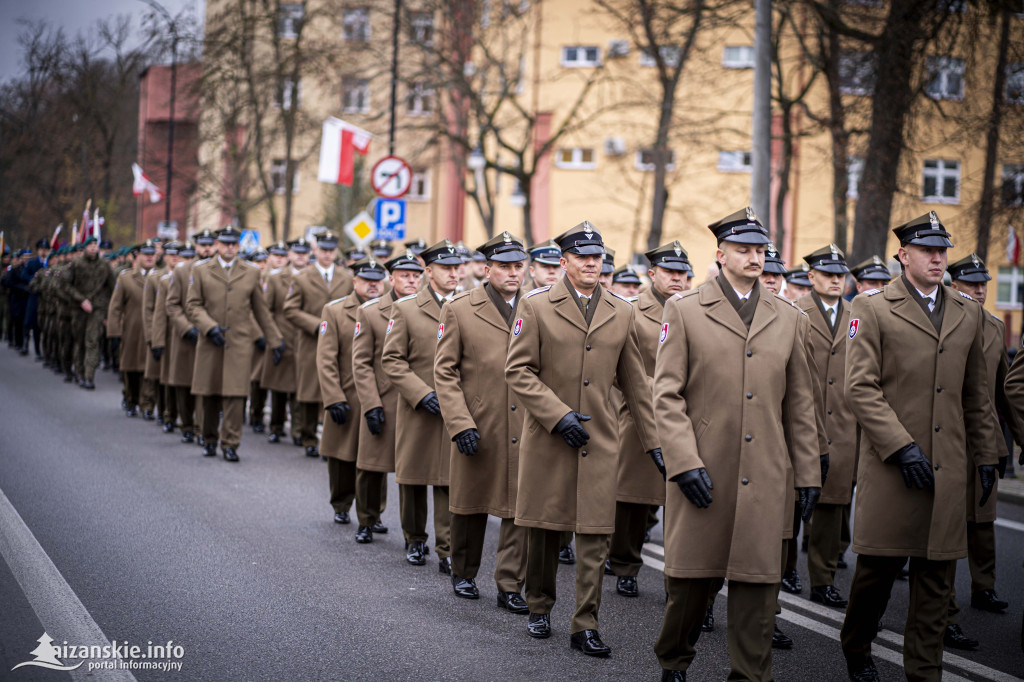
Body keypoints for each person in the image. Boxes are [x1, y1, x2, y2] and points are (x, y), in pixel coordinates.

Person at [654, 208, 820, 682]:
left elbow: (800, 406)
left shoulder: (789, 318)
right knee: (690, 583)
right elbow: (666, 395)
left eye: (760, 249)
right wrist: (683, 462)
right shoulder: (684, 309)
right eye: (744, 249)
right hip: (704, 469)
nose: (754, 257)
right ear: (721, 254)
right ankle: (674, 661)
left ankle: (750, 674)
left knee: (758, 587)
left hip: (766, 474)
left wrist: (807, 474)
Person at [840, 212, 1001, 682]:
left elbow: (976, 395)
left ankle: (924, 671)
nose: (937, 257)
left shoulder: (967, 312)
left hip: (948, 467)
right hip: (893, 467)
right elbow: (860, 388)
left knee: (936, 578)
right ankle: (857, 646)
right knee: (876, 575)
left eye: (942, 250)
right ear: (902, 256)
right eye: (927, 250)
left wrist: (987, 454)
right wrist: (901, 447)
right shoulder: (870, 308)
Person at [505, 220, 659, 657]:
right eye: (583, 257)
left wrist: (654, 443)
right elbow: (517, 370)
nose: (593, 264)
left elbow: (635, 384)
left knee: (594, 537)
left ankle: (585, 624)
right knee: (546, 533)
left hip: (599, 440)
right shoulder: (535, 306)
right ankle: (539, 606)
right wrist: (557, 415)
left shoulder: (622, 310)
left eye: (598, 257)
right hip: (550, 438)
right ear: (565, 261)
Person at [433, 232, 530, 610]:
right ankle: (464, 571)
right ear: (486, 269)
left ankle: (509, 584)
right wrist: (459, 423)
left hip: (524, 424)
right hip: (478, 420)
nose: (512, 273)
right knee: (469, 504)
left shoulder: (537, 306)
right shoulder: (459, 308)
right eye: (504, 266)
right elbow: (444, 372)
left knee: (518, 506)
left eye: (517, 266)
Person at [942, 253, 1024, 651]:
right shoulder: (943, 319)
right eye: (971, 283)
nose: (979, 289)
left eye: (983, 283)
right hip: (948, 438)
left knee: (983, 520)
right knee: (947, 526)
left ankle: (984, 587)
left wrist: (1016, 438)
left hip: (985, 438)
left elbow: (1003, 390)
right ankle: (943, 611)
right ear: (954, 284)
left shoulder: (993, 326)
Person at [607, 242, 690, 600]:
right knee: (633, 501)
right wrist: (662, 387)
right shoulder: (631, 311)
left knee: (683, 500)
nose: (677, 279)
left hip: (686, 417)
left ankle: (684, 576)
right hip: (639, 414)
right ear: (652, 274)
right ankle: (625, 565)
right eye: (670, 272)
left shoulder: (694, 310)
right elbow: (619, 368)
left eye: (682, 273)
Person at [381, 239, 462, 570]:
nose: (454, 273)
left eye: (457, 268)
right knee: (414, 477)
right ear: (428, 272)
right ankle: (415, 538)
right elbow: (392, 360)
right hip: (419, 407)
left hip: (455, 406)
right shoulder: (406, 308)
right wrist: (420, 393)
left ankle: (447, 549)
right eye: (446, 268)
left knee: (448, 479)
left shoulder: (468, 305)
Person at [186, 227, 284, 462]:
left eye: (233, 244)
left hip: (240, 342)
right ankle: (209, 438)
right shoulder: (201, 270)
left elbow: (260, 310)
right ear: (218, 244)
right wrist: (209, 327)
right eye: (225, 243)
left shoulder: (250, 272)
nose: (229, 247)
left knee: (236, 395)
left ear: (239, 246)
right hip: (211, 341)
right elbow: (192, 306)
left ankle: (230, 443)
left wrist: (275, 340)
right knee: (209, 393)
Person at [796, 245, 855, 613]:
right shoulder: (793, 311)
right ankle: (781, 573)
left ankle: (823, 580)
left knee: (832, 510)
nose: (836, 280)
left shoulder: (858, 313)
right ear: (811, 276)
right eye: (828, 274)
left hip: (844, 426)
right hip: (803, 421)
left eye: (840, 274)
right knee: (787, 509)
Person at [351, 250, 423, 542]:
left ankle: (413, 536)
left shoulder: (428, 309)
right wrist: (370, 404)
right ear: (391, 279)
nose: (411, 281)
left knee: (411, 473)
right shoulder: (370, 312)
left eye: (416, 275)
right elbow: (361, 362)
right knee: (371, 466)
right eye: (405, 276)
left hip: (414, 401)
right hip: (382, 400)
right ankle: (367, 519)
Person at [317, 257, 386, 527]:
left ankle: (374, 513)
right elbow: (325, 359)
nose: (373, 285)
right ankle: (341, 503)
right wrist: (333, 398)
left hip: (377, 396)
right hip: (346, 394)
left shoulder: (389, 310)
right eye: (367, 280)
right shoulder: (334, 311)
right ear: (354, 281)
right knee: (342, 456)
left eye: (377, 281)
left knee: (375, 459)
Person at [284, 231, 353, 458]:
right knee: (309, 392)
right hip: (310, 341)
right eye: (323, 250)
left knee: (333, 390)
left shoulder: (346, 277)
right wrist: (317, 324)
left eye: (331, 250)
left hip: (339, 343)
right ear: (316, 251)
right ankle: (308, 437)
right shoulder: (302, 277)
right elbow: (290, 310)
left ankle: (330, 441)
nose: (327, 254)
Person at [261, 240, 305, 445]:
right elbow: (265, 311)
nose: (300, 257)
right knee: (278, 388)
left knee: (300, 387)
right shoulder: (276, 278)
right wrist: (273, 337)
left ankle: (298, 431)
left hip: (304, 339)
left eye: (304, 253)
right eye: (296, 253)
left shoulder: (313, 277)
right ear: (290, 255)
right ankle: (276, 426)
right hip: (281, 337)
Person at [108, 242, 159, 417]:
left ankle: (147, 405)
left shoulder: (161, 277)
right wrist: (115, 332)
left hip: (153, 331)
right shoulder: (126, 278)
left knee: (150, 371)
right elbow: (115, 307)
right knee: (131, 370)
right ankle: (131, 399)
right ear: (137, 257)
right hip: (131, 331)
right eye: (146, 254)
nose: (150, 257)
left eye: (152, 254)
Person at [61, 237, 116, 390]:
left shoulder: (104, 265)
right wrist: (81, 300)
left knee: (92, 341)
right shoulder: (77, 264)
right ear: (85, 248)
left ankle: (89, 376)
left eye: (95, 245)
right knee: (79, 341)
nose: (93, 248)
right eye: (90, 245)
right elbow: (65, 285)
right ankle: (79, 372)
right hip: (78, 309)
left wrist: (111, 311)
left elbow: (113, 287)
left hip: (97, 309)